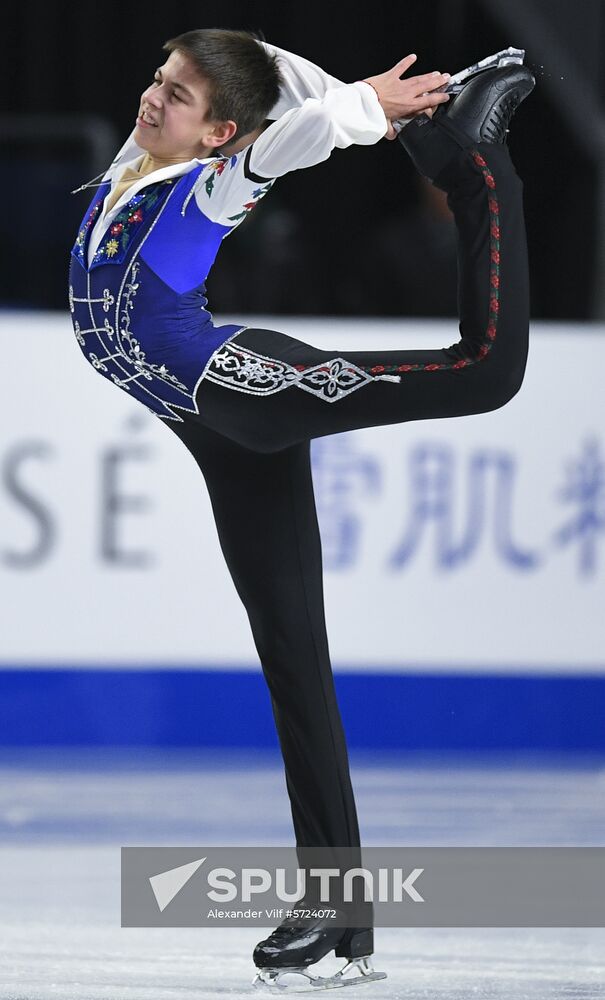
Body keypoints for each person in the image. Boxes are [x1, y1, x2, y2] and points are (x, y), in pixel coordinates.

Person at [68, 29, 534, 990]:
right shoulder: (136, 159)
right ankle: (340, 915)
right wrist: (375, 99)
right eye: (158, 80)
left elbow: (295, 133)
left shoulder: (208, 184)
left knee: (483, 372)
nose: (154, 100)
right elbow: (268, 66)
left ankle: (482, 167)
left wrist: (364, 112)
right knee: (293, 656)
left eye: (179, 97)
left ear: (219, 136)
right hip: (211, 431)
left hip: (245, 386)